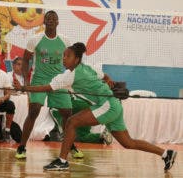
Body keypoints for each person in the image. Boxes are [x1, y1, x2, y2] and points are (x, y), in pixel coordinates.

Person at [15, 42, 177, 172]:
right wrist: (108, 85)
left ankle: (62, 161)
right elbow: (105, 77)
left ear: (77, 59)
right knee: (128, 142)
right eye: (63, 55)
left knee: (71, 122)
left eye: (68, 56)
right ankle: (165, 153)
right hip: (113, 104)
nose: (63, 59)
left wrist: (24, 88)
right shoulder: (89, 68)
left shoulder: (69, 76)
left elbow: (46, 88)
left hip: (107, 105)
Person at [15, 10, 83, 159]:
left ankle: (71, 146)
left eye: (54, 19)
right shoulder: (35, 39)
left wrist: (72, 79)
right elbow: (25, 60)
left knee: (67, 114)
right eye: (48, 18)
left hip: (59, 81)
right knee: (34, 110)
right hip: (39, 79)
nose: (51, 20)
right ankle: (21, 147)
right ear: (44, 22)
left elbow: (72, 62)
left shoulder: (65, 41)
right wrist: (26, 80)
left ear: (58, 22)